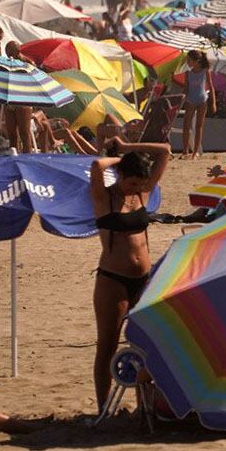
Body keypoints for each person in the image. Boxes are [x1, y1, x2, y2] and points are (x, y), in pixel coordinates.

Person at [89, 139, 169, 409]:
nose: (136, 187)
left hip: (143, 279)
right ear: (121, 175)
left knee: (145, 343)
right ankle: (103, 408)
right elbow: (97, 164)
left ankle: (143, 404)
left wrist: (125, 146)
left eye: (141, 183)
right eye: (132, 182)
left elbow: (165, 150)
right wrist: (120, 159)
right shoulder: (105, 197)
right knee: (108, 345)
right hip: (112, 279)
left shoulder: (143, 193)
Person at [179, 50, 216, 160]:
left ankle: (195, 152)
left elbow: (211, 87)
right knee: (186, 125)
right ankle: (185, 151)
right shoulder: (188, 73)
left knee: (199, 126)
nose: (188, 62)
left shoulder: (205, 71)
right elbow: (186, 88)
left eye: (190, 60)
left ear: (197, 61)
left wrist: (213, 103)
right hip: (190, 99)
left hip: (202, 99)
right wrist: (181, 101)